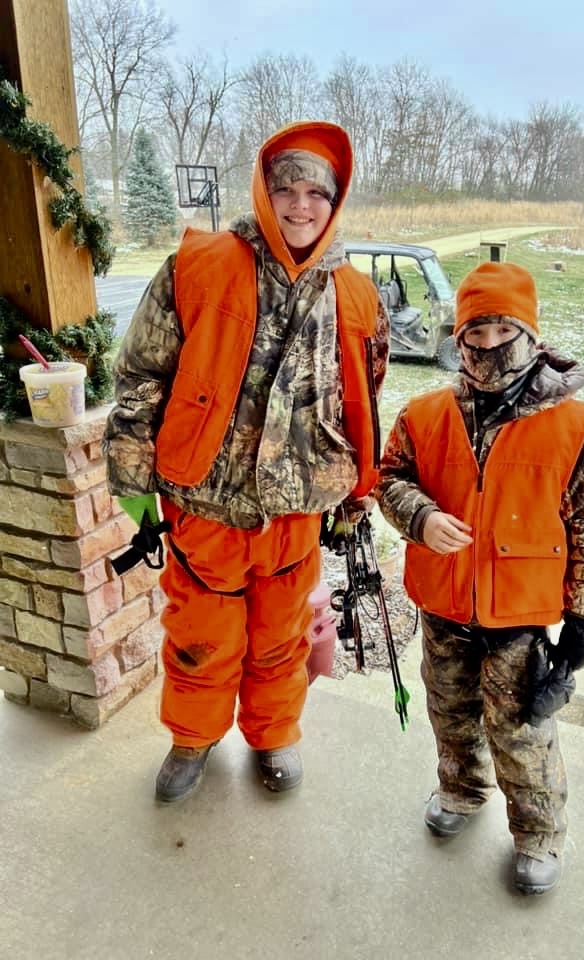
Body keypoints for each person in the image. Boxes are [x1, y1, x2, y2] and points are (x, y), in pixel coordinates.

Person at [103, 120, 389, 803]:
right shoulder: (199, 266)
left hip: (295, 509)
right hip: (206, 498)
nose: (299, 205)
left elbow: (365, 404)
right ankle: (193, 738)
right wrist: (134, 481)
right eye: (285, 188)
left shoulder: (356, 295)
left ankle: (273, 735)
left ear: (335, 202)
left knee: (280, 637)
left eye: (315, 194)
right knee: (202, 633)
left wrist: (355, 500)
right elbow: (142, 375)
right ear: (263, 190)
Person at [375, 261, 584, 895]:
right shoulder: (425, 413)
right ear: (458, 339)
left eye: (499, 331)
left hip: (518, 615)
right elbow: (390, 477)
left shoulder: (571, 424)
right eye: (473, 334)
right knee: (450, 711)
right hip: (445, 604)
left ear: (530, 334)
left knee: (521, 729)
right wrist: (420, 517)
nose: (485, 347)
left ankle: (540, 833)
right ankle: (460, 791)